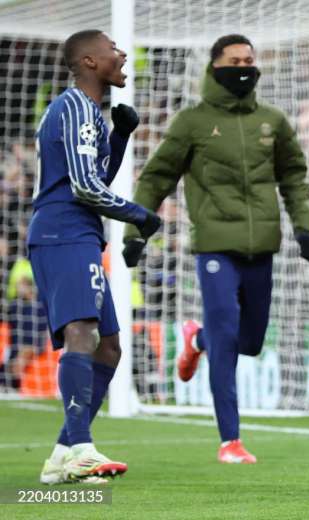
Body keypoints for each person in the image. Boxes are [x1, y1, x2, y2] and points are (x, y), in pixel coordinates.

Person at [123, 34, 309, 464]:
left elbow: (294, 177)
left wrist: (305, 227)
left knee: (249, 342)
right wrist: (135, 231)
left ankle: (197, 339)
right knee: (228, 334)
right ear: (215, 67)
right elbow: (156, 178)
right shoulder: (192, 122)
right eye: (235, 60)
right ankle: (230, 440)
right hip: (213, 247)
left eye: (250, 59)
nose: (245, 66)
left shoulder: (272, 120)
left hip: (262, 248)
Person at [30, 29, 161, 484]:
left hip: (80, 233)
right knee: (82, 332)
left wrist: (120, 137)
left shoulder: (89, 114)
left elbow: (95, 175)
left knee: (109, 345)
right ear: (89, 61)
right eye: (113, 50)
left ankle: (63, 453)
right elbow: (85, 189)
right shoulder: (71, 107)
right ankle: (82, 448)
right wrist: (140, 216)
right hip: (63, 230)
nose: (123, 54)